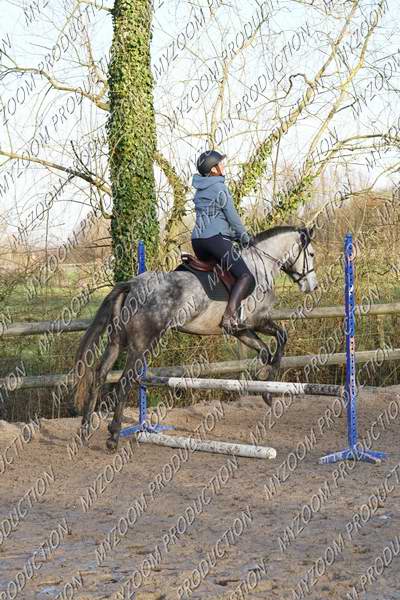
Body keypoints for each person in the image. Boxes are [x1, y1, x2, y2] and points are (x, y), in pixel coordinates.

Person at [191, 150, 256, 332]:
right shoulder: (219, 187)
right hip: (214, 240)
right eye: (220, 163)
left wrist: (231, 236)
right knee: (245, 276)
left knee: (223, 274)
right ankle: (229, 317)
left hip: (198, 242)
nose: (223, 165)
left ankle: (217, 308)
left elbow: (214, 219)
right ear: (214, 169)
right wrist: (244, 237)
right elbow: (232, 217)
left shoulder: (199, 190)